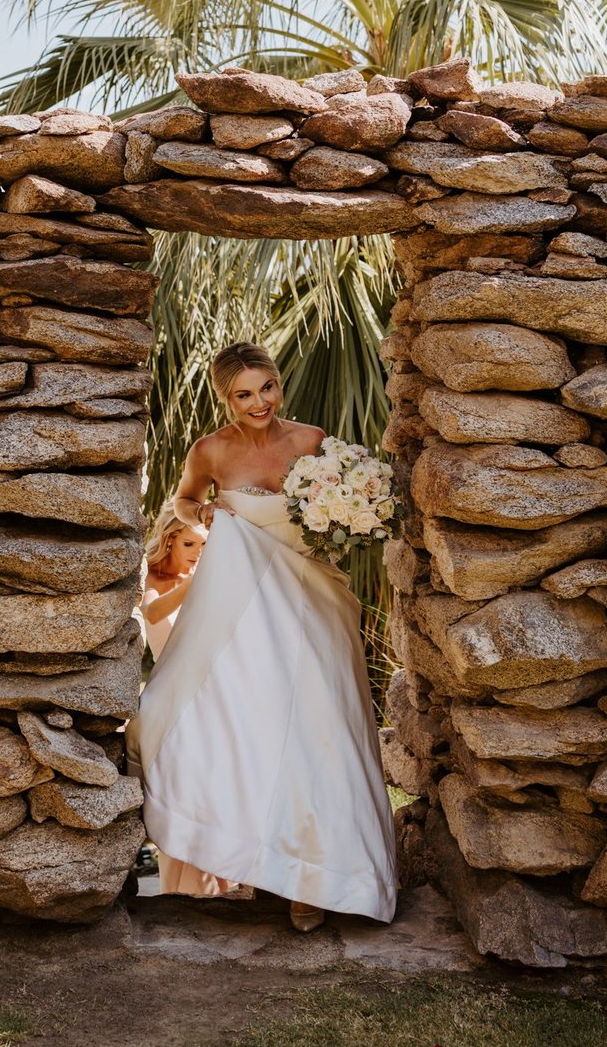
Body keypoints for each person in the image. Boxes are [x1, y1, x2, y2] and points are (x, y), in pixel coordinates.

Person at [126, 341, 398, 934]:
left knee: (318, 724)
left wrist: (349, 521)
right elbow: (185, 499)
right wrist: (208, 522)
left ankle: (321, 878)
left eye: (267, 388)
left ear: (279, 384)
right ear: (226, 398)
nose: (259, 403)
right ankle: (251, 854)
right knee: (234, 720)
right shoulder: (210, 450)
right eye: (244, 394)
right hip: (243, 601)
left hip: (313, 595)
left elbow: (350, 500)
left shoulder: (311, 440)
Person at [139, 506, 234, 897]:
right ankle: (183, 890)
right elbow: (151, 611)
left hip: (214, 702)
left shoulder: (213, 581)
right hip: (172, 703)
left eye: (204, 545)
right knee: (184, 796)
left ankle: (219, 885)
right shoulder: (154, 579)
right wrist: (190, 587)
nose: (197, 551)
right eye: (189, 543)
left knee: (216, 793)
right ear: (170, 540)